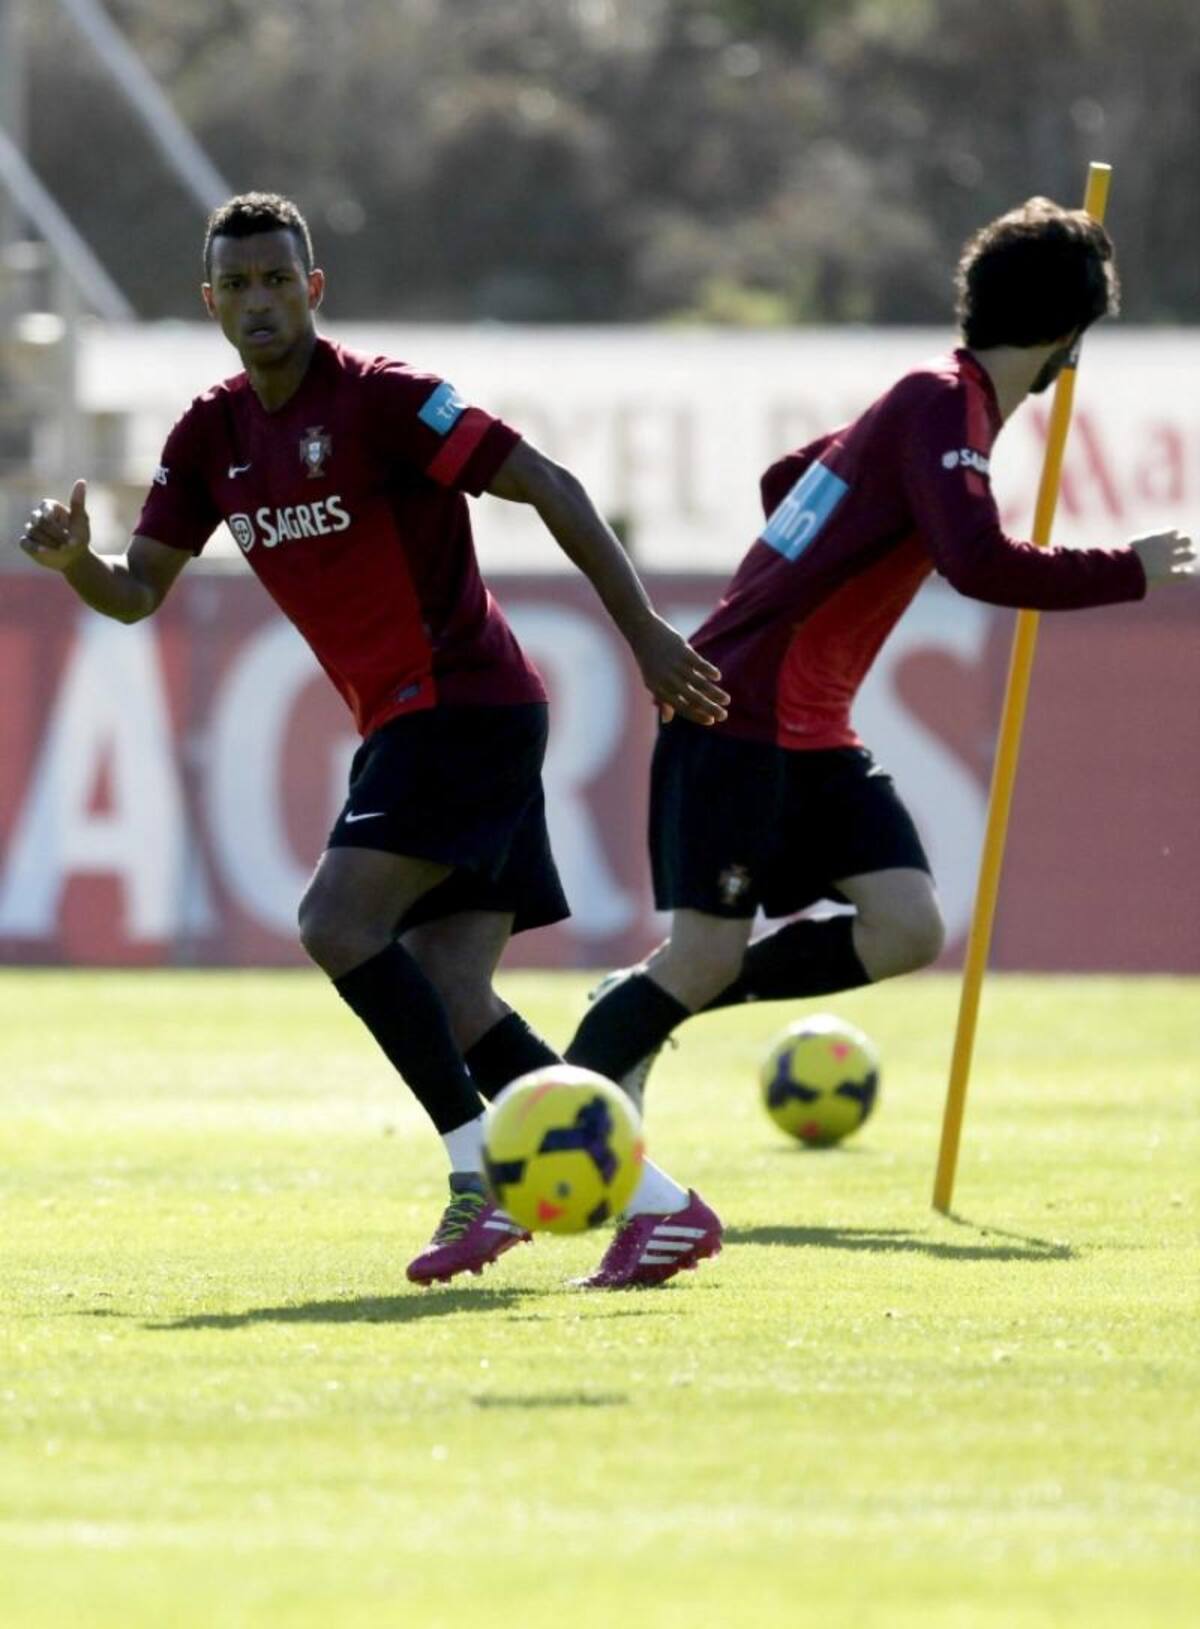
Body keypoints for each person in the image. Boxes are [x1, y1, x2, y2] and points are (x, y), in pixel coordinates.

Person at [18, 190, 729, 1289]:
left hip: (465, 703)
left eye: (277, 280)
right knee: (453, 997)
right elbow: (138, 591)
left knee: (335, 922)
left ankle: (477, 1176)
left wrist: (641, 633)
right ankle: (662, 1206)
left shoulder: (388, 402)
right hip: (415, 719)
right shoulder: (209, 436)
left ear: (314, 289)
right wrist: (76, 564)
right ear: (210, 303)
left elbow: (546, 482)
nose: (259, 302)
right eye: (237, 286)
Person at [566, 196, 1196, 1278]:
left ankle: (667, 989)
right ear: (1067, 341)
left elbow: (789, 483)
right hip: (741, 709)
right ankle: (615, 1080)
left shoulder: (928, 410)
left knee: (905, 924)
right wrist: (1127, 569)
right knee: (703, 954)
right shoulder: (937, 406)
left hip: (812, 725)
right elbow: (979, 562)